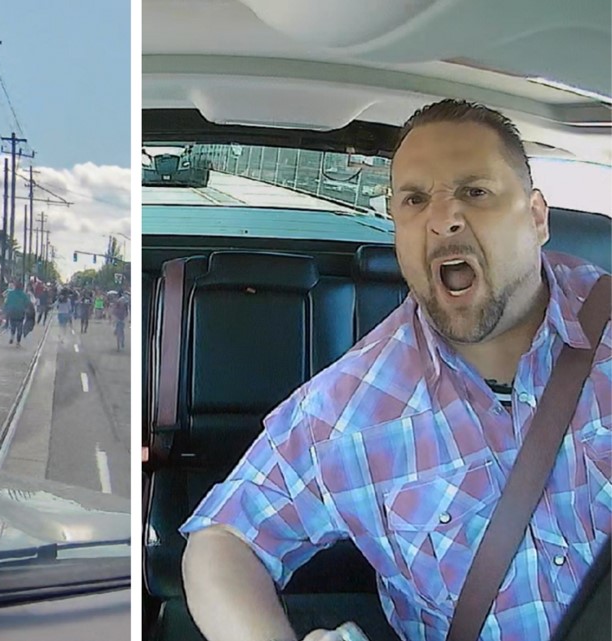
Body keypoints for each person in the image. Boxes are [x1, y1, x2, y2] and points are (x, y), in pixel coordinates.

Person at [180, 99, 611, 641]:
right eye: (414, 199)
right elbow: (224, 540)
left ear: (536, 217)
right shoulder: (351, 408)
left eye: (475, 192)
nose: (443, 218)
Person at [3, 280, 29, 346]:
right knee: (20, 327)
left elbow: (7, 302)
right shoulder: (24, 295)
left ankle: (12, 336)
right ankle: (18, 341)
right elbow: (27, 303)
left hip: (12, 312)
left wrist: (5, 310)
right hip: (20, 313)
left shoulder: (10, 293)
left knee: (12, 325)